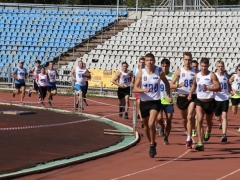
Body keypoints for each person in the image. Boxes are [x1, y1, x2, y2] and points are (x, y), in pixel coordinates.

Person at [134, 53, 171, 158]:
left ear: (154, 61)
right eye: (147, 60)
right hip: (144, 102)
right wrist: (143, 90)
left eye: (151, 60)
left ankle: (151, 145)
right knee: (145, 126)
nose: (149, 62)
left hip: (155, 102)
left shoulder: (159, 72)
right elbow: (135, 89)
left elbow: (167, 83)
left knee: (151, 124)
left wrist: (168, 95)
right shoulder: (141, 73)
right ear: (145, 62)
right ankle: (152, 142)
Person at [188, 58, 221, 151]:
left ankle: (209, 130)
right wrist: (190, 93)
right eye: (202, 66)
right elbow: (194, 85)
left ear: (208, 66)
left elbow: (219, 87)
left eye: (205, 66)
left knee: (208, 122)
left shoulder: (212, 75)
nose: (203, 68)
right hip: (200, 101)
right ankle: (200, 142)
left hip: (210, 101)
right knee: (199, 120)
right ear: (200, 66)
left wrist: (208, 88)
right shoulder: (197, 75)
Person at [170, 52, 197, 149]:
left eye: (189, 59)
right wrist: (177, 85)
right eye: (186, 59)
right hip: (181, 97)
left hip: (192, 97)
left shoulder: (195, 71)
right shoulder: (179, 71)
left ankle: (189, 138)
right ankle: (188, 132)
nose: (187, 61)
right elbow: (171, 84)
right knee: (184, 119)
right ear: (183, 60)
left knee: (190, 117)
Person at [157, 59, 175, 145]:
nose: (165, 68)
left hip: (168, 101)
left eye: (166, 66)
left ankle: (166, 138)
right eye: (163, 66)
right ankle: (162, 126)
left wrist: (175, 87)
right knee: (159, 118)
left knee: (169, 120)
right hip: (159, 99)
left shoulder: (172, 75)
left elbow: (174, 86)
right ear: (161, 66)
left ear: (169, 66)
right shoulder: (157, 75)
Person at [214, 60, 230, 142]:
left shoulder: (226, 75)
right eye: (219, 66)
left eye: (221, 66)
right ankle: (220, 122)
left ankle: (224, 134)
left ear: (223, 67)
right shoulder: (214, 76)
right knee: (217, 117)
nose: (220, 68)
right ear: (216, 67)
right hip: (216, 99)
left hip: (225, 98)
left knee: (224, 116)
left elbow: (228, 84)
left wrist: (231, 91)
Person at [133, 57, 145, 127]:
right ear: (138, 63)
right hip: (137, 90)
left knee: (144, 105)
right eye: (140, 62)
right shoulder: (135, 70)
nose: (142, 63)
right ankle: (142, 121)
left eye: (143, 62)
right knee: (140, 105)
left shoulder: (146, 70)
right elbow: (134, 79)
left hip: (144, 90)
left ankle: (141, 115)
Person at [229, 63, 240, 132]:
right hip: (235, 96)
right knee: (234, 112)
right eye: (239, 69)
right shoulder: (234, 76)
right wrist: (232, 90)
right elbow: (228, 83)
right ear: (237, 69)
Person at [191, 60, 199, 137]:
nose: (195, 68)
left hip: (199, 95)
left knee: (199, 114)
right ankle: (193, 129)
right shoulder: (190, 74)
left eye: (196, 66)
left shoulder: (200, 74)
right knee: (192, 114)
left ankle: (197, 127)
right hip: (192, 95)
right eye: (193, 66)